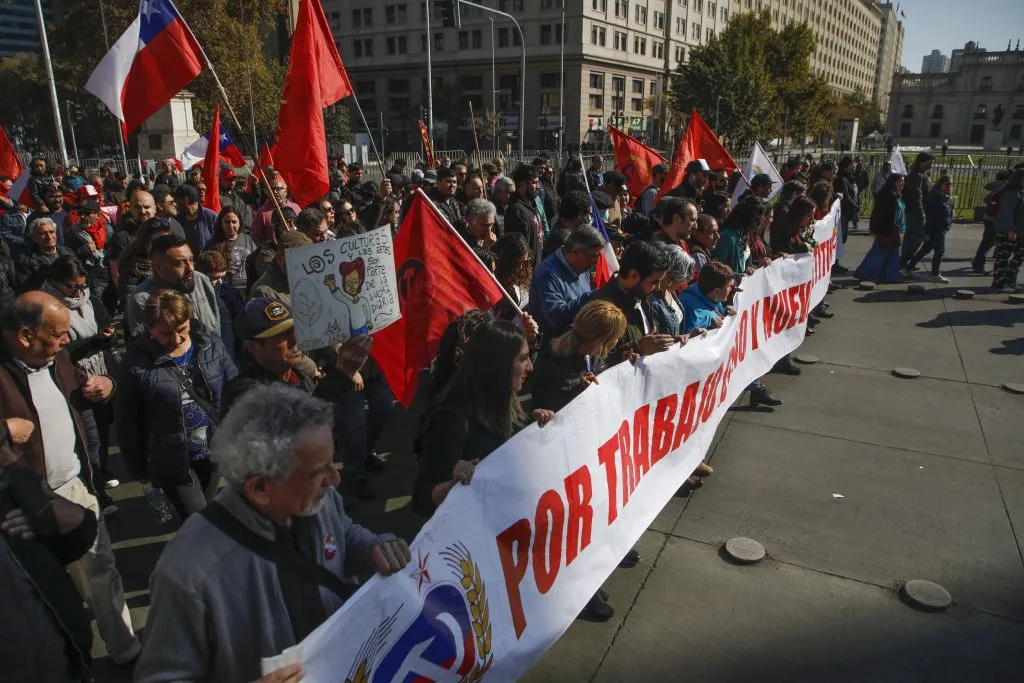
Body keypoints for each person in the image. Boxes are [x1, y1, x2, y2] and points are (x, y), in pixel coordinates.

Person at [135, 384, 410, 683]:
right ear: (261, 488)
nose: (335, 479)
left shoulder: (320, 499)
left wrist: (374, 548)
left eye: (334, 462)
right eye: (321, 470)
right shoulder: (187, 573)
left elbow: (343, 530)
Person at [0, 291, 141, 666]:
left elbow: (80, 384)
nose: (66, 342)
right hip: (24, 509)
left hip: (75, 489)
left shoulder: (57, 357)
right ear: (25, 336)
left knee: (102, 572)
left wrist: (105, 386)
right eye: (57, 334)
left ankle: (126, 651)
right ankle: (73, 663)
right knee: (48, 591)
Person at [530, 300, 626, 622]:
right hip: (559, 462)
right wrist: (581, 392)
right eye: (611, 341)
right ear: (597, 338)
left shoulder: (577, 356)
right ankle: (580, 595)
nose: (611, 347)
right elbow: (556, 406)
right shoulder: (556, 364)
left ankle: (588, 589)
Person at [413, 320, 553, 518]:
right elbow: (421, 499)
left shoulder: (503, 397)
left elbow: (505, 435)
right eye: (523, 359)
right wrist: (452, 485)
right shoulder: (453, 419)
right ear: (499, 364)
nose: (530, 367)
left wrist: (535, 422)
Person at [117, 290, 237, 518]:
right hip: (172, 459)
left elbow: (234, 387)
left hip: (212, 451)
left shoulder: (211, 344)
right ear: (150, 328)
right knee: (200, 521)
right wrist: (139, 469)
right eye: (166, 333)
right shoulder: (134, 364)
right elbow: (127, 421)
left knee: (204, 516)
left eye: (182, 329)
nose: (177, 339)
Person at [0, 441, 98, 683]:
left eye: (5, 443)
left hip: (69, 666)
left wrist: (77, 519)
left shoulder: (17, 483)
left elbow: (64, 548)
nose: (11, 458)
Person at [41, 256, 120, 512]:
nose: (78, 291)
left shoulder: (92, 302)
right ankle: (98, 493)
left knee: (103, 432)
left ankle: (101, 472)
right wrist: (94, 341)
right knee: (90, 440)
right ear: (55, 283)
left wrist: (109, 335)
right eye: (71, 286)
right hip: (73, 383)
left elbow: (109, 328)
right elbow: (59, 352)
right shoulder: (47, 310)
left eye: (81, 286)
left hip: (101, 374)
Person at [680, 262, 783, 407]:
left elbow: (715, 308)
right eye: (729, 287)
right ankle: (756, 389)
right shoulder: (696, 313)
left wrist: (725, 310)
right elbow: (692, 347)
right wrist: (710, 327)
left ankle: (756, 388)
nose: (732, 289)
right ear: (716, 291)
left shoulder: (703, 293)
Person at [590, 240, 676, 365]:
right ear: (633, 275)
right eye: (654, 282)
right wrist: (638, 348)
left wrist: (674, 342)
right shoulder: (602, 307)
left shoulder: (642, 296)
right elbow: (596, 361)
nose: (657, 288)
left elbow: (650, 338)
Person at [126, 234, 220, 341]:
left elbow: (219, 320)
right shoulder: (142, 300)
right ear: (157, 267)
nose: (190, 268)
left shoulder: (201, 280)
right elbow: (144, 345)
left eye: (191, 259)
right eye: (180, 263)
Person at [529, 226, 605, 337]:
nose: (596, 261)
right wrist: (591, 297)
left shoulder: (582, 268)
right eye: (593, 256)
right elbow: (554, 317)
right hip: (554, 347)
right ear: (575, 251)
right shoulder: (547, 273)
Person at [113, 216, 173, 312]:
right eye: (158, 241)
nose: (163, 245)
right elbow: (130, 301)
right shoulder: (132, 263)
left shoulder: (170, 257)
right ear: (146, 240)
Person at [855, 174, 906, 284]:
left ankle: (889, 276)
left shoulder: (896, 195)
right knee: (879, 254)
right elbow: (878, 215)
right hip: (886, 230)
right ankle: (865, 273)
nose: (902, 184)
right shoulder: (887, 196)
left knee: (891, 255)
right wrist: (877, 229)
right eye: (900, 181)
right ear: (893, 182)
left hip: (893, 229)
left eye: (903, 181)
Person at [904, 174, 954, 283]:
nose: (949, 186)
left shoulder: (945, 198)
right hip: (936, 230)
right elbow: (931, 218)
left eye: (950, 184)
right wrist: (927, 233)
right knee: (940, 251)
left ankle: (908, 268)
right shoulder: (936, 199)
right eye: (947, 184)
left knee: (925, 250)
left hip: (941, 229)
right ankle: (935, 274)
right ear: (940, 184)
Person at [13, 217, 75, 293]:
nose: (49, 237)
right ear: (34, 237)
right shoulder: (25, 260)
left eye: (51, 232)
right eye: (43, 233)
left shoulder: (68, 252)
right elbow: (26, 289)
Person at [212, 206, 257, 299]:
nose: (231, 225)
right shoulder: (214, 243)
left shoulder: (247, 239)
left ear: (240, 223)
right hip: (226, 291)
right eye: (227, 222)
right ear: (221, 223)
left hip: (247, 290)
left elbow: (256, 262)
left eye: (234, 222)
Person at [991, 168, 1024, 293]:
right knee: (1003, 257)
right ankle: (999, 283)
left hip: (1021, 232)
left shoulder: (1021, 193)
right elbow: (1007, 213)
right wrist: (1010, 229)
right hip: (1009, 232)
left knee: (1018, 258)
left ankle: (1010, 281)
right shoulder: (1011, 194)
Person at [900, 152, 935, 273]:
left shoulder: (922, 174)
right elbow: (917, 197)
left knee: (913, 238)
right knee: (914, 239)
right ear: (922, 162)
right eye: (930, 162)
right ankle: (903, 264)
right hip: (915, 212)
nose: (932, 164)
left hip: (916, 211)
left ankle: (904, 262)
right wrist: (922, 215)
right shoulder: (916, 176)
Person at [973, 169, 1013, 274]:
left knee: (987, 242)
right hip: (995, 219)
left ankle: (978, 263)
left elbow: (986, 196)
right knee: (987, 243)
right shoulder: (1006, 188)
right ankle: (978, 265)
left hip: (989, 217)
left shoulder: (996, 186)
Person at [493, 233, 533, 321]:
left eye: (525, 261)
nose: (522, 267)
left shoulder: (524, 273)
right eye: (518, 263)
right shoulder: (494, 279)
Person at [250, 177, 302, 246]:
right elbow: (255, 238)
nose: (275, 192)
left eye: (278, 189)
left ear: (286, 191)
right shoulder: (262, 213)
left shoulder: (296, 207)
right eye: (272, 189)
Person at [542, 190, 591, 260]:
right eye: (589, 214)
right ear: (580, 215)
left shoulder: (564, 228)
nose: (590, 218)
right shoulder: (563, 239)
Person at [172, 183, 217, 254]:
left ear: (185, 200)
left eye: (176, 200)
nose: (175, 204)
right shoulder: (176, 220)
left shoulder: (211, 217)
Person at [688, 213, 721, 278]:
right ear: (696, 233)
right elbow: (706, 281)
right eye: (711, 233)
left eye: (717, 231)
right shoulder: (697, 255)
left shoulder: (704, 249)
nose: (718, 236)